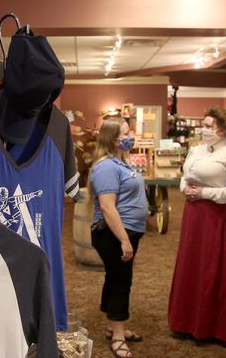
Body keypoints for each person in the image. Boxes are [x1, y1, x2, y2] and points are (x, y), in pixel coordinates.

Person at [168, 107, 226, 344]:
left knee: (212, 267)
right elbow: (186, 175)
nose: (203, 130)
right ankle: (187, 320)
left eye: (207, 126)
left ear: (221, 129)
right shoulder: (198, 151)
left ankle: (213, 325)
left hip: (216, 218)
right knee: (192, 264)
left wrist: (205, 193)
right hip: (193, 216)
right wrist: (184, 187)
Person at [89, 117, 147, 358]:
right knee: (122, 281)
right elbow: (107, 207)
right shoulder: (106, 167)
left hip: (126, 231)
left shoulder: (120, 162)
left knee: (115, 278)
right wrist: (124, 240)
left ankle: (114, 327)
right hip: (113, 234)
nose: (131, 135)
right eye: (126, 133)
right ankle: (119, 336)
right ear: (113, 139)